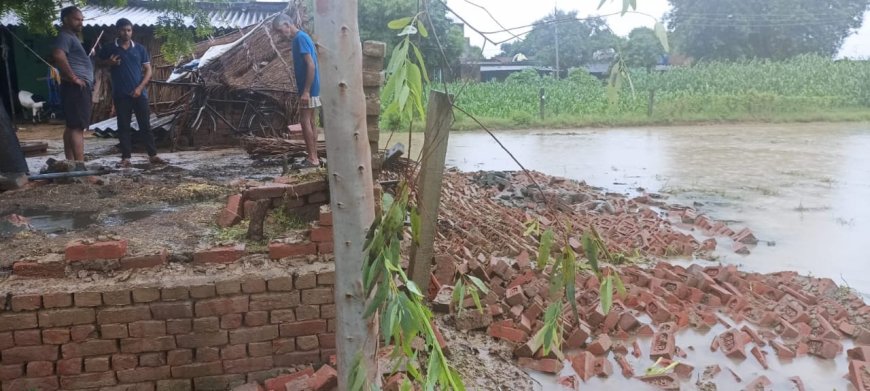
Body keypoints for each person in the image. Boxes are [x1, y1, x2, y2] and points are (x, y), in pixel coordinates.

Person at [98, 18, 166, 168]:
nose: (126, 33)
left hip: (139, 94)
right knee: (123, 126)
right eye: (123, 30)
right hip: (121, 94)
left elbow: (148, 71)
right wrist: (109, 63)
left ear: (132, 31)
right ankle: (126, 158)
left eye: (128, 30)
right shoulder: (109, 48)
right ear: (118, 31)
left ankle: (153, 155)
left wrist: (140, 88)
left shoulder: (140, 49)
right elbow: (98, 63)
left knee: (145, 125)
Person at [273, 14, 321, 168]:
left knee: (305, 120)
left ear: (287, 24)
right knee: (311, 121)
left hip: (309, 88)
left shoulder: (300, 39)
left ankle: (312, 159)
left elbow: (311, 65)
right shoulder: (302, 38)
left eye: (280, 31)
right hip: (312, 87)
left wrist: (306, 91)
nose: (281, 35)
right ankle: (314, 157)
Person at [52, 6, 93, 163]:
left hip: (75, 88)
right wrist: (74, 78)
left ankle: (70, 163)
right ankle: (80, 168)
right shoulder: (65, 36)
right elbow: (58, 54)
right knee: (77, 128)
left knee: (71, 126)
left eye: (82, 20)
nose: (80, 23)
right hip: (76, 88)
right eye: (77, 19)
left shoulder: (71, 37)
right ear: (65, 19)